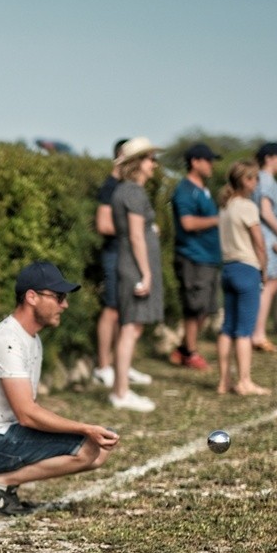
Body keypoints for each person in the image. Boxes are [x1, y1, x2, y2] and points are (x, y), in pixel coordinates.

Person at [0, 261, 117, 516]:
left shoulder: (30, 340)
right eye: (58, 297)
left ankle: (1, 483)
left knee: (99, 450)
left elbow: (25, 414)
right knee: (89, 447)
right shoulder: (8, 340)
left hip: (3, 434)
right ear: (31, 297)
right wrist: (84, 428)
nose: (64, 305)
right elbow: (27, 413)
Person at [92, 138, 152, 389]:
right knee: (113, 309)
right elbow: (103, 224)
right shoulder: (112, 186)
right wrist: (136, 228)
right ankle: (104, 367)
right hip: (115, 253)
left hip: (126, 254)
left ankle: (120, 366)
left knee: (126, 312)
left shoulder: (128, 186)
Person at [109, 137, 164, 413]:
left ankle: (121, 389)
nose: (155, 164)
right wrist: (146, 272)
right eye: (150, 159)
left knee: (131, 327)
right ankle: (121, 392)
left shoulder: (130, 191)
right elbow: (135, 236)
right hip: (133, 267)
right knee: (130, 328)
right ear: (137, 163)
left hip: (131, 265)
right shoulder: (132, 192)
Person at [216, 161, 271, 396]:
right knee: (244, 330)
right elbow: (259, 243)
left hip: (227, 268)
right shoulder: (247, 207)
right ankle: (245, 381)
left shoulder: (225, 207)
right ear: (245, 181)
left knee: (227, 327)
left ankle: (223, 381)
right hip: (247, 269)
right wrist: (264, 268)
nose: (256, 183)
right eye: (254, 179)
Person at [169, 143, 222, 370]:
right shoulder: (185, 190)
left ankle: (183, 350)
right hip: (194, 257)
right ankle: (190, 353)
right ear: (195, 162)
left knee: (205, 309)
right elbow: (187, 223)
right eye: (208, 160)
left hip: (209, 258)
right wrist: (219, 219)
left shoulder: (203, 189)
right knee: (194, 307)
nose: (212, 165)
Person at [250, 142, 277, 352]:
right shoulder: (265, 180)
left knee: (271, 286)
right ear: (269, 158)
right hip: (269, 240)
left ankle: (257, 332)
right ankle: (258, 334)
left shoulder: (264, 180)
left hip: (270, 238)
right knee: (267, 287)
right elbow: (266, 212)